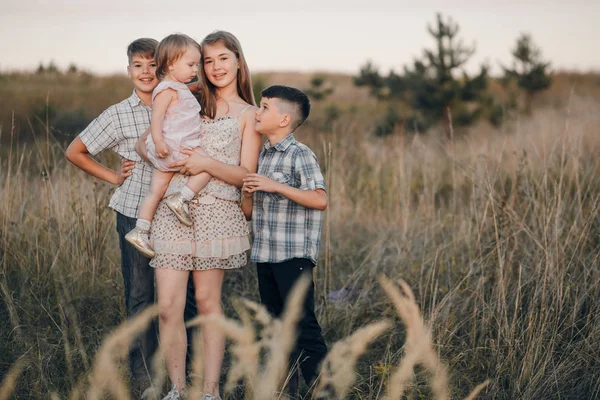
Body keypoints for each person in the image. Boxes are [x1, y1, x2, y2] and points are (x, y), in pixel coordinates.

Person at [136, 31, 261, 400]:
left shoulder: (249, 114)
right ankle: (176, 389)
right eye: (207, 60)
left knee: (207, 304)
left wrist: (206, 163)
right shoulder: (188, 98)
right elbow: (146, 144)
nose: (215, 67)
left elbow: (245, 175)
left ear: (238, 60)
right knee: (168, 306)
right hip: (172, 213)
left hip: (217, 215)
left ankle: (209, 392)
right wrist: (168, 158)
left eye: (223, 58)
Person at [242, 85, 328, 397]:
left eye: (264, 107)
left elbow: (320, 199)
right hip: (265, 255)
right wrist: (248, 192)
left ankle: (325, 390)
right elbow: (249, 213)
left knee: (302, 326)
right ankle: (285, 391)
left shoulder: (299, 154)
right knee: (276, 328)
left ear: (284, 119)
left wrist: (275, 187)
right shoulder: (260, 156)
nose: (257, 112)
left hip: (293, 257)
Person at [125, 33, 212, 258]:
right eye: (191, 64)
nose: (195, 70)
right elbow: (156, 118)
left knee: (155, 192)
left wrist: (194, 88)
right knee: (208, 166)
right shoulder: (166, 90)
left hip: (166, 152)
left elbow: (183, 94)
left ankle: (140, 230)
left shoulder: (174, 87)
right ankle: (182, 197)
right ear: (172, 65)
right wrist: (159, 141)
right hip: (177, 147)